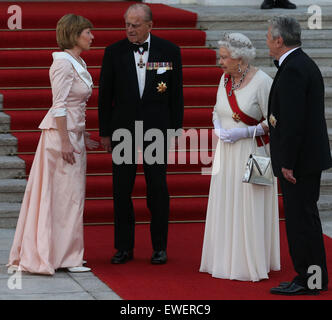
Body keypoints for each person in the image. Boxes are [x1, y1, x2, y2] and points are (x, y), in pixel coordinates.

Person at [7, 14, 98, 275]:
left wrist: (81, 135)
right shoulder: (63, 65)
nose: (92, 37)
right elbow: (58, 106)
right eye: (87, 32)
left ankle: (63, 254)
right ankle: (67, 257)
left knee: (69, 198)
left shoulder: (77, 61)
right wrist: (66, 141)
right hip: (61, 139)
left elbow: (74, 106)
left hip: (72, 135)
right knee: (66, 198)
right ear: (74, 34)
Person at [98, 4, 184, 265]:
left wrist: (175, 129)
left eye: (135, 25)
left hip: (156, 129)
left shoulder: (169, 51)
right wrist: (104, 132)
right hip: (122, 130)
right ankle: (123, 247)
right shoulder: (113, 52)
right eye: (127, 24)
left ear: (150, 25)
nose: (130, 30)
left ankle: (160, 247)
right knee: (121, 190)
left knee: (157, 188)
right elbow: (105, 95)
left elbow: (176, 94)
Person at [199, 33, 280, 282]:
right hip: (226, 152)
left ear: (240, 58)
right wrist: (217, 126)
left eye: (224, 57)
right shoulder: (224, 79)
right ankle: (223, 259)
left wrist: (245, 131)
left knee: (250, 206)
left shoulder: (263, 81)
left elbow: (274, 120)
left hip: (253, 152)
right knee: (225, 202)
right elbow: (216, 109)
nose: (220, 62)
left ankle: (249, 262)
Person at [266, 16, 331, 295]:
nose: (267, 41)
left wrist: (288, 164)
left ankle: (309, 279)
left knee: (301, 222)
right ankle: (312, 277)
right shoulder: (301, 63)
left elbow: (293, 123)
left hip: (299, 163)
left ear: (279, 40)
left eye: (269, 37)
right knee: (306, 219)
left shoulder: (294, 69)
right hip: (306, 159)